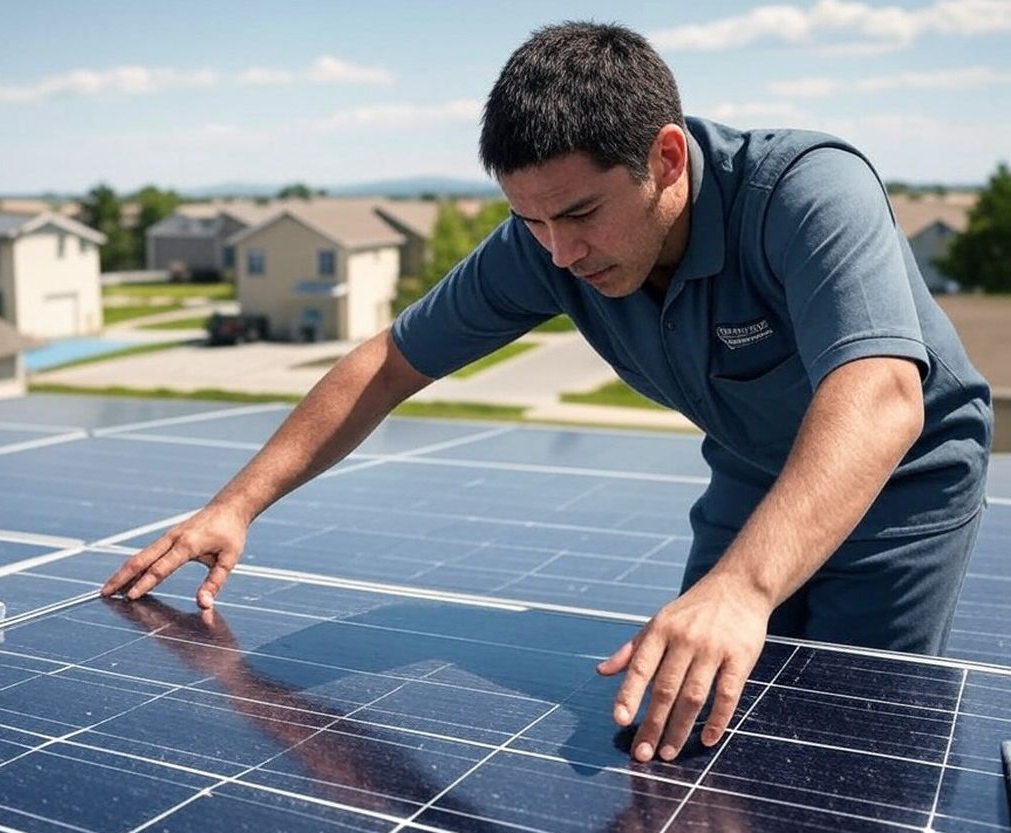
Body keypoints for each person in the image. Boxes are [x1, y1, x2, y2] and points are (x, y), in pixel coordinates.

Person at [103, 22, 992, 764]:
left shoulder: (805, 191)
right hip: (753, 470)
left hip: (899, 482)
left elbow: (879, 396)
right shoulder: (546, 244)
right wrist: (237, 504)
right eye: (530, 220)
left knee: (841, 745)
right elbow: (389, 362)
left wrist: (743, 588)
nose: (559, 253)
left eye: (578, 214)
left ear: (668, 159)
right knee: (691, 725)